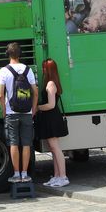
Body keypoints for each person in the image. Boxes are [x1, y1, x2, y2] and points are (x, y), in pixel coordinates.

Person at [0, 42, 39, 183]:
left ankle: (16, 174)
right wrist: (33, 109)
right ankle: (25, 174)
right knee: (26, 143)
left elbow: (1, 95)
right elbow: (35, 92)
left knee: (14, 143)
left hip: (11, 112)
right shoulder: (28, 70)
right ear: (20, 54)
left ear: (7, 54)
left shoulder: (4, 71)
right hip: (26, 112)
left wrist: (4, 111)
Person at [36, 58, 69, 187]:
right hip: (51, 118)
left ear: (49, 70)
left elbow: (51, 105)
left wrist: (38, 107)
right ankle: (57, 176)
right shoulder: (52, 82)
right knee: (54, 149)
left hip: (51, 118)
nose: (43, 70)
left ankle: (63, 176)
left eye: (45, 68)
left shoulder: (50, 84)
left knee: (56, 149)